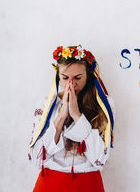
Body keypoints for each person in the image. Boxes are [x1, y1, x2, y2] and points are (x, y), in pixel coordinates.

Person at [27, 45, 115, 192]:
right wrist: (62, 116)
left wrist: (76, 115)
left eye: (78, 78)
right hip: (49, 184)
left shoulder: (105, 104)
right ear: (58, 76)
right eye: (65, 78)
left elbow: (100, 160)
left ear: (88, 76)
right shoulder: (46, 104)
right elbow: (36, 159)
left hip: (88, 184)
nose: (71, 84)